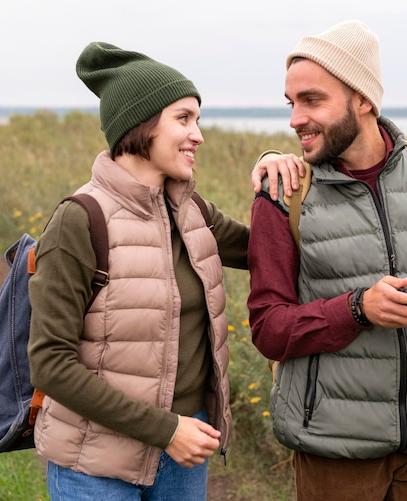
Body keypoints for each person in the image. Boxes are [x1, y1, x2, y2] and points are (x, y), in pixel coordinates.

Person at [27, 42, 291, 501]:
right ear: (141, 125)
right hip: (98, 462)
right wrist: (164, 429)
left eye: (198, 120)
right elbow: (50, 363)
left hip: (186, 449)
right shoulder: (80, 218)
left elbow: (269, 252)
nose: (198, 135)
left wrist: (278, 178)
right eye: (183, 118)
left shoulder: (192, 210)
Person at [247, 21, 407, 500]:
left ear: (364, 100)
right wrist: (356, 309)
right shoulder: (284, 194)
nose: (295, 119)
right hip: (336, 447)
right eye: (290, 103)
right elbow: (269, 329)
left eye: (311, 100)